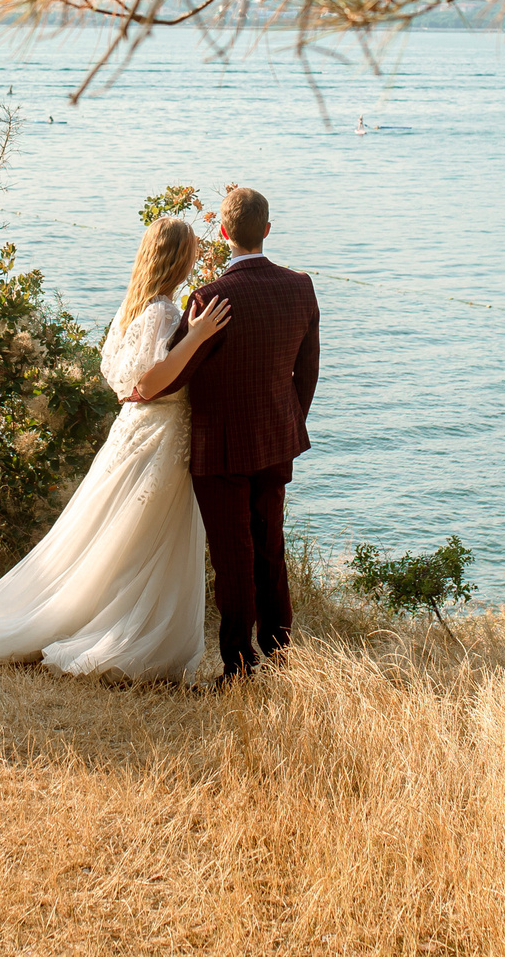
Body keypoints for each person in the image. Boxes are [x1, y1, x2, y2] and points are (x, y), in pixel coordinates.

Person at [0, 216, 233, 682]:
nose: (196, 255)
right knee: (141, 539)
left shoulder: (134, 307)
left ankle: (97, 618)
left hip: (134, 431)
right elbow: (149, 383)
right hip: (160, 434)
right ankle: (118, 634)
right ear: (178, 256)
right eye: (192, 248)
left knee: (113, 534)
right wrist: (197, 337)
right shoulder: (165, 314)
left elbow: (120, 380)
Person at [162, 187, 319, 679]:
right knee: (270, 546)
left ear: (224, 232)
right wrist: (290, 420)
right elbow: (307, 371)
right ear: (267, 230)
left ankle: (238, 665)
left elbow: (172, 374)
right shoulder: (301, 287)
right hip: (277, 439)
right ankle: (279, 653)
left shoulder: (210, 298)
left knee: (233, 557)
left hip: (221, 448)